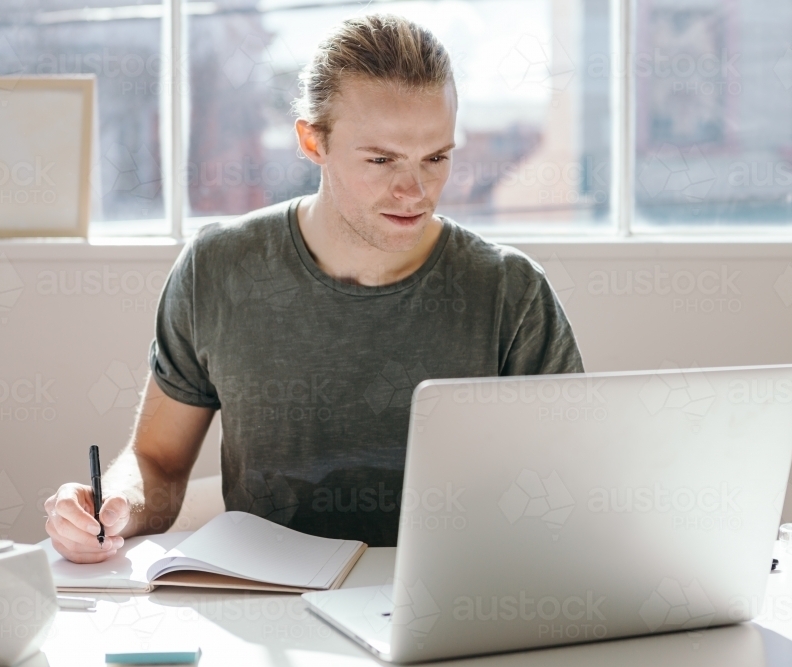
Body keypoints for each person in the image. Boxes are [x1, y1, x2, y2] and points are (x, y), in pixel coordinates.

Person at [45, 14, 584, 564]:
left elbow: (574, 482)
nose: (415, 190)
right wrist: (112, 507)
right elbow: (157, 461)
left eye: (436, 158)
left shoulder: (509, 291)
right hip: (267, 603)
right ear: (312, 140)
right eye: (380, 159)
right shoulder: (219, 269)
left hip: (454, 603)